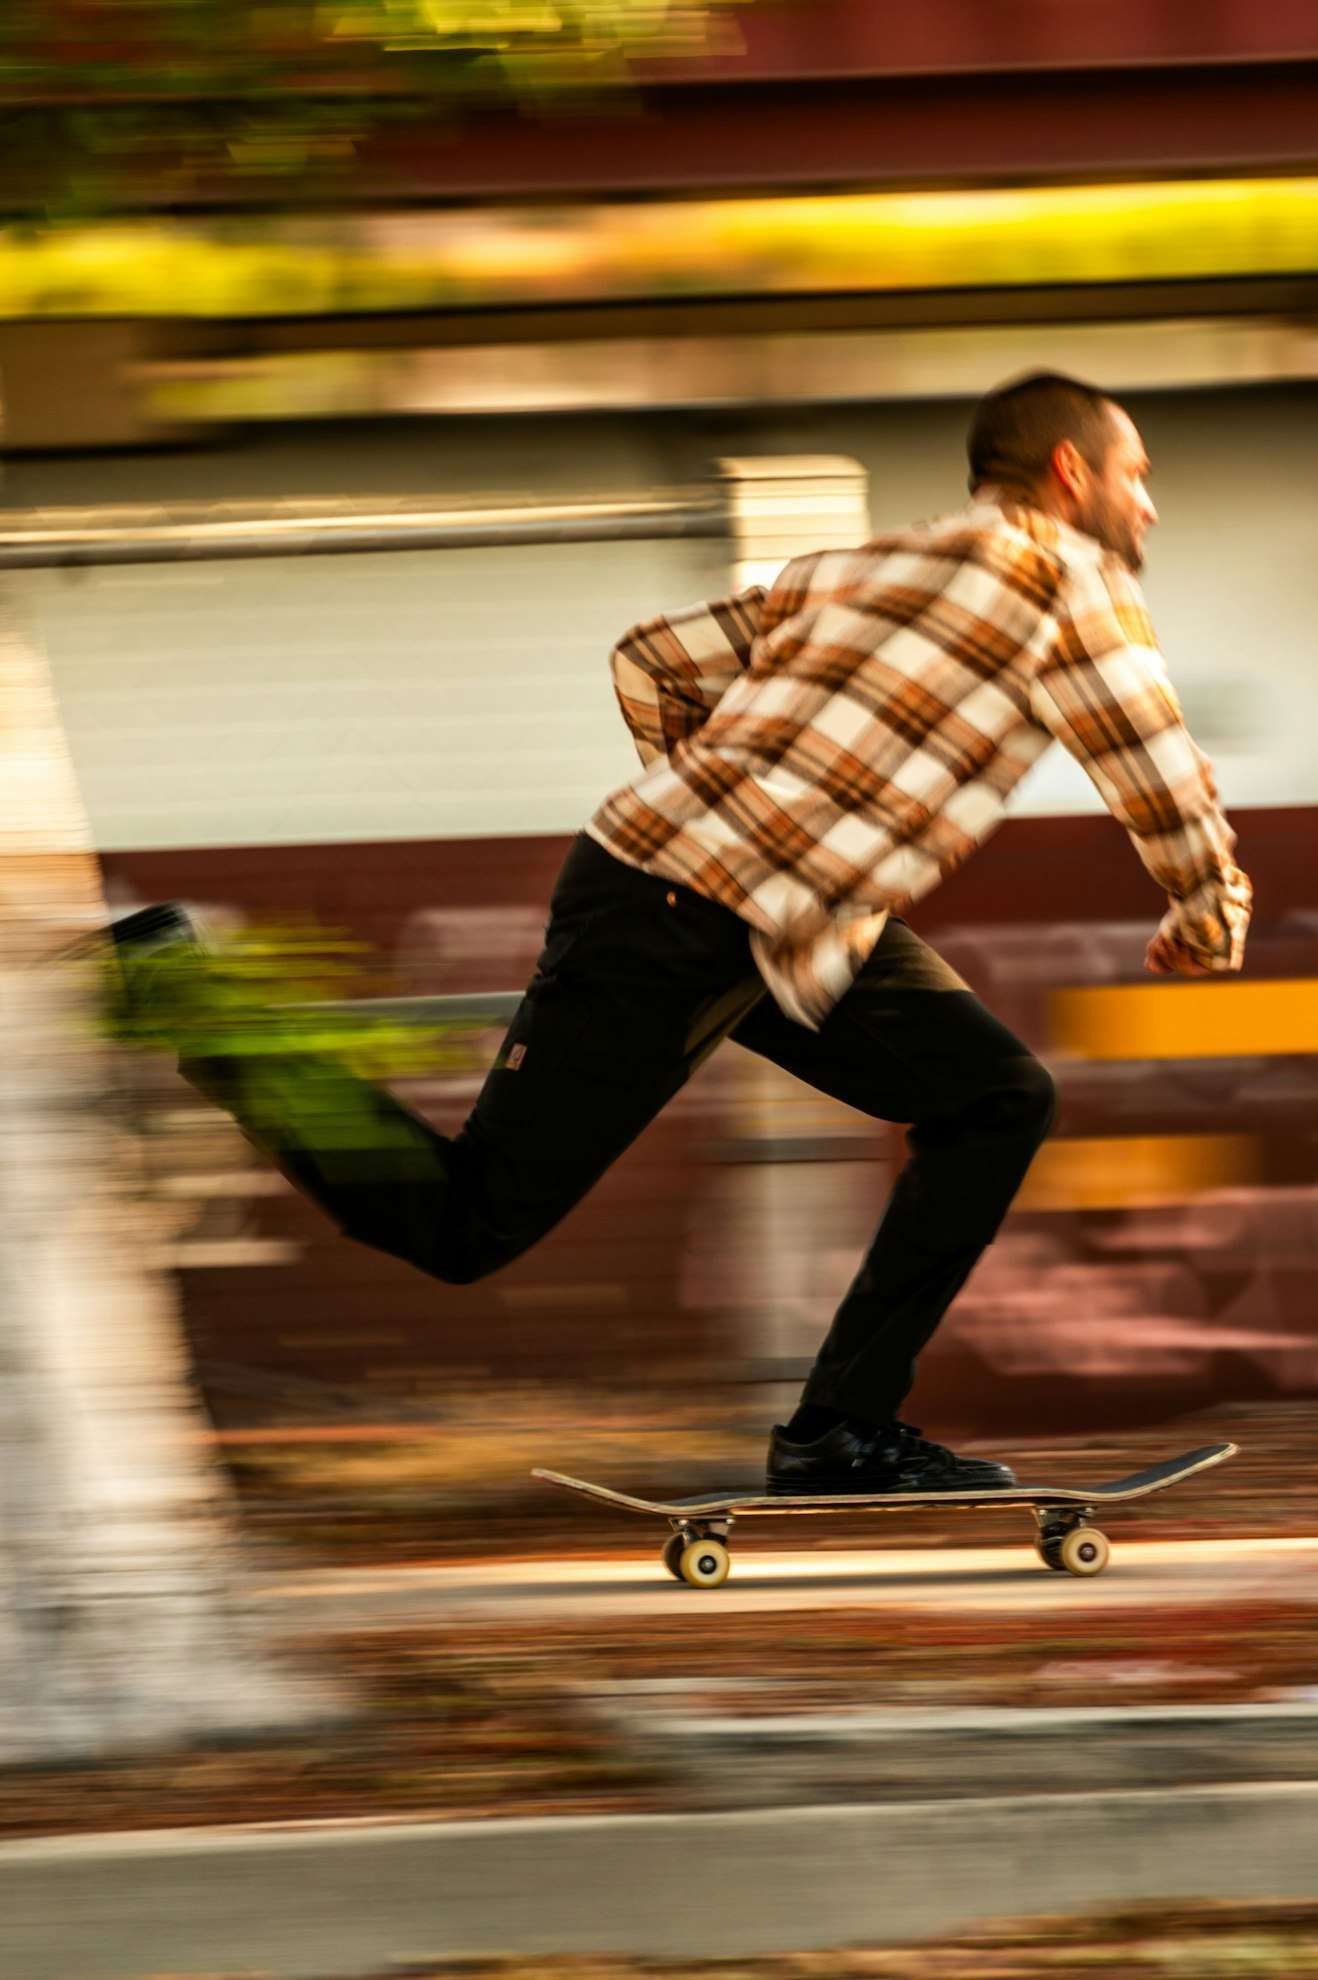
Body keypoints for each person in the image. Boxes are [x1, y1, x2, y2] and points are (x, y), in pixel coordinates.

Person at [113, 372, 1250, 1497]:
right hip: (677, 912)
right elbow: (1146, 753)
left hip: (761, 913)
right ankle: (196, 1003)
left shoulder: (860, 568)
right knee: (466, 1222)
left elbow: (652, 660)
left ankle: (839, 1431)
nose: (1145, 504)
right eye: (1135, 475)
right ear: (1070, 472)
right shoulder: (1069, 575)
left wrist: (740, 803)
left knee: (996, 1096)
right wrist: (1208, 907)